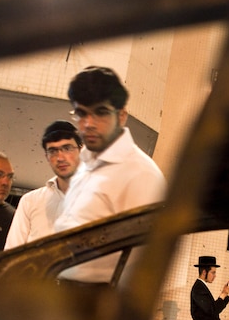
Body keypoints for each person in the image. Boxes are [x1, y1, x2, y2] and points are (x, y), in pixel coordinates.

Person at [53, 66, 167, 284]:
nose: (89, 124)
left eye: (101, 112)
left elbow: (146, 265)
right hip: (62, 296)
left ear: (122, 116)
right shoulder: (85, 166)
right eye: (81, 113)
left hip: (98, 305)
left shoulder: (141, 174)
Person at [4, 120, 83, 249]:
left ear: (81, 150)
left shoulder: (101, 197)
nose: (60, 157)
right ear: (46, 156)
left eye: (67, 148)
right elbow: (11, 252)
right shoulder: (30, 201)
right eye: (53, 151)